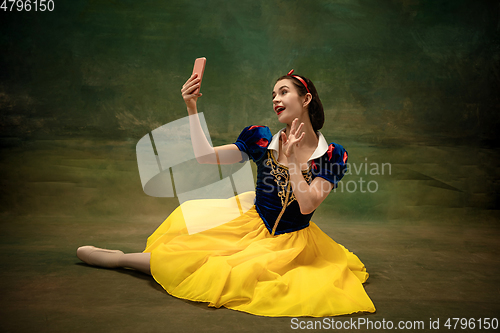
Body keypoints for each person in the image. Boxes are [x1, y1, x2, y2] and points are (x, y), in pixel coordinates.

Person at [77, 69, 376, 317]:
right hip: (250, 224)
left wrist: (296, 159)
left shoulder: (333, 155)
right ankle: (123, 259)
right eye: (273, 94)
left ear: (306, 98)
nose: (276, 99)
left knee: (235, 274)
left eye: (283, 92)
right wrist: (191, 106)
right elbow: (206, 156)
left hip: (291, 242)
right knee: (192, 257)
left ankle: (124, 260)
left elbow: (308, 205)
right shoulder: (261, 140)